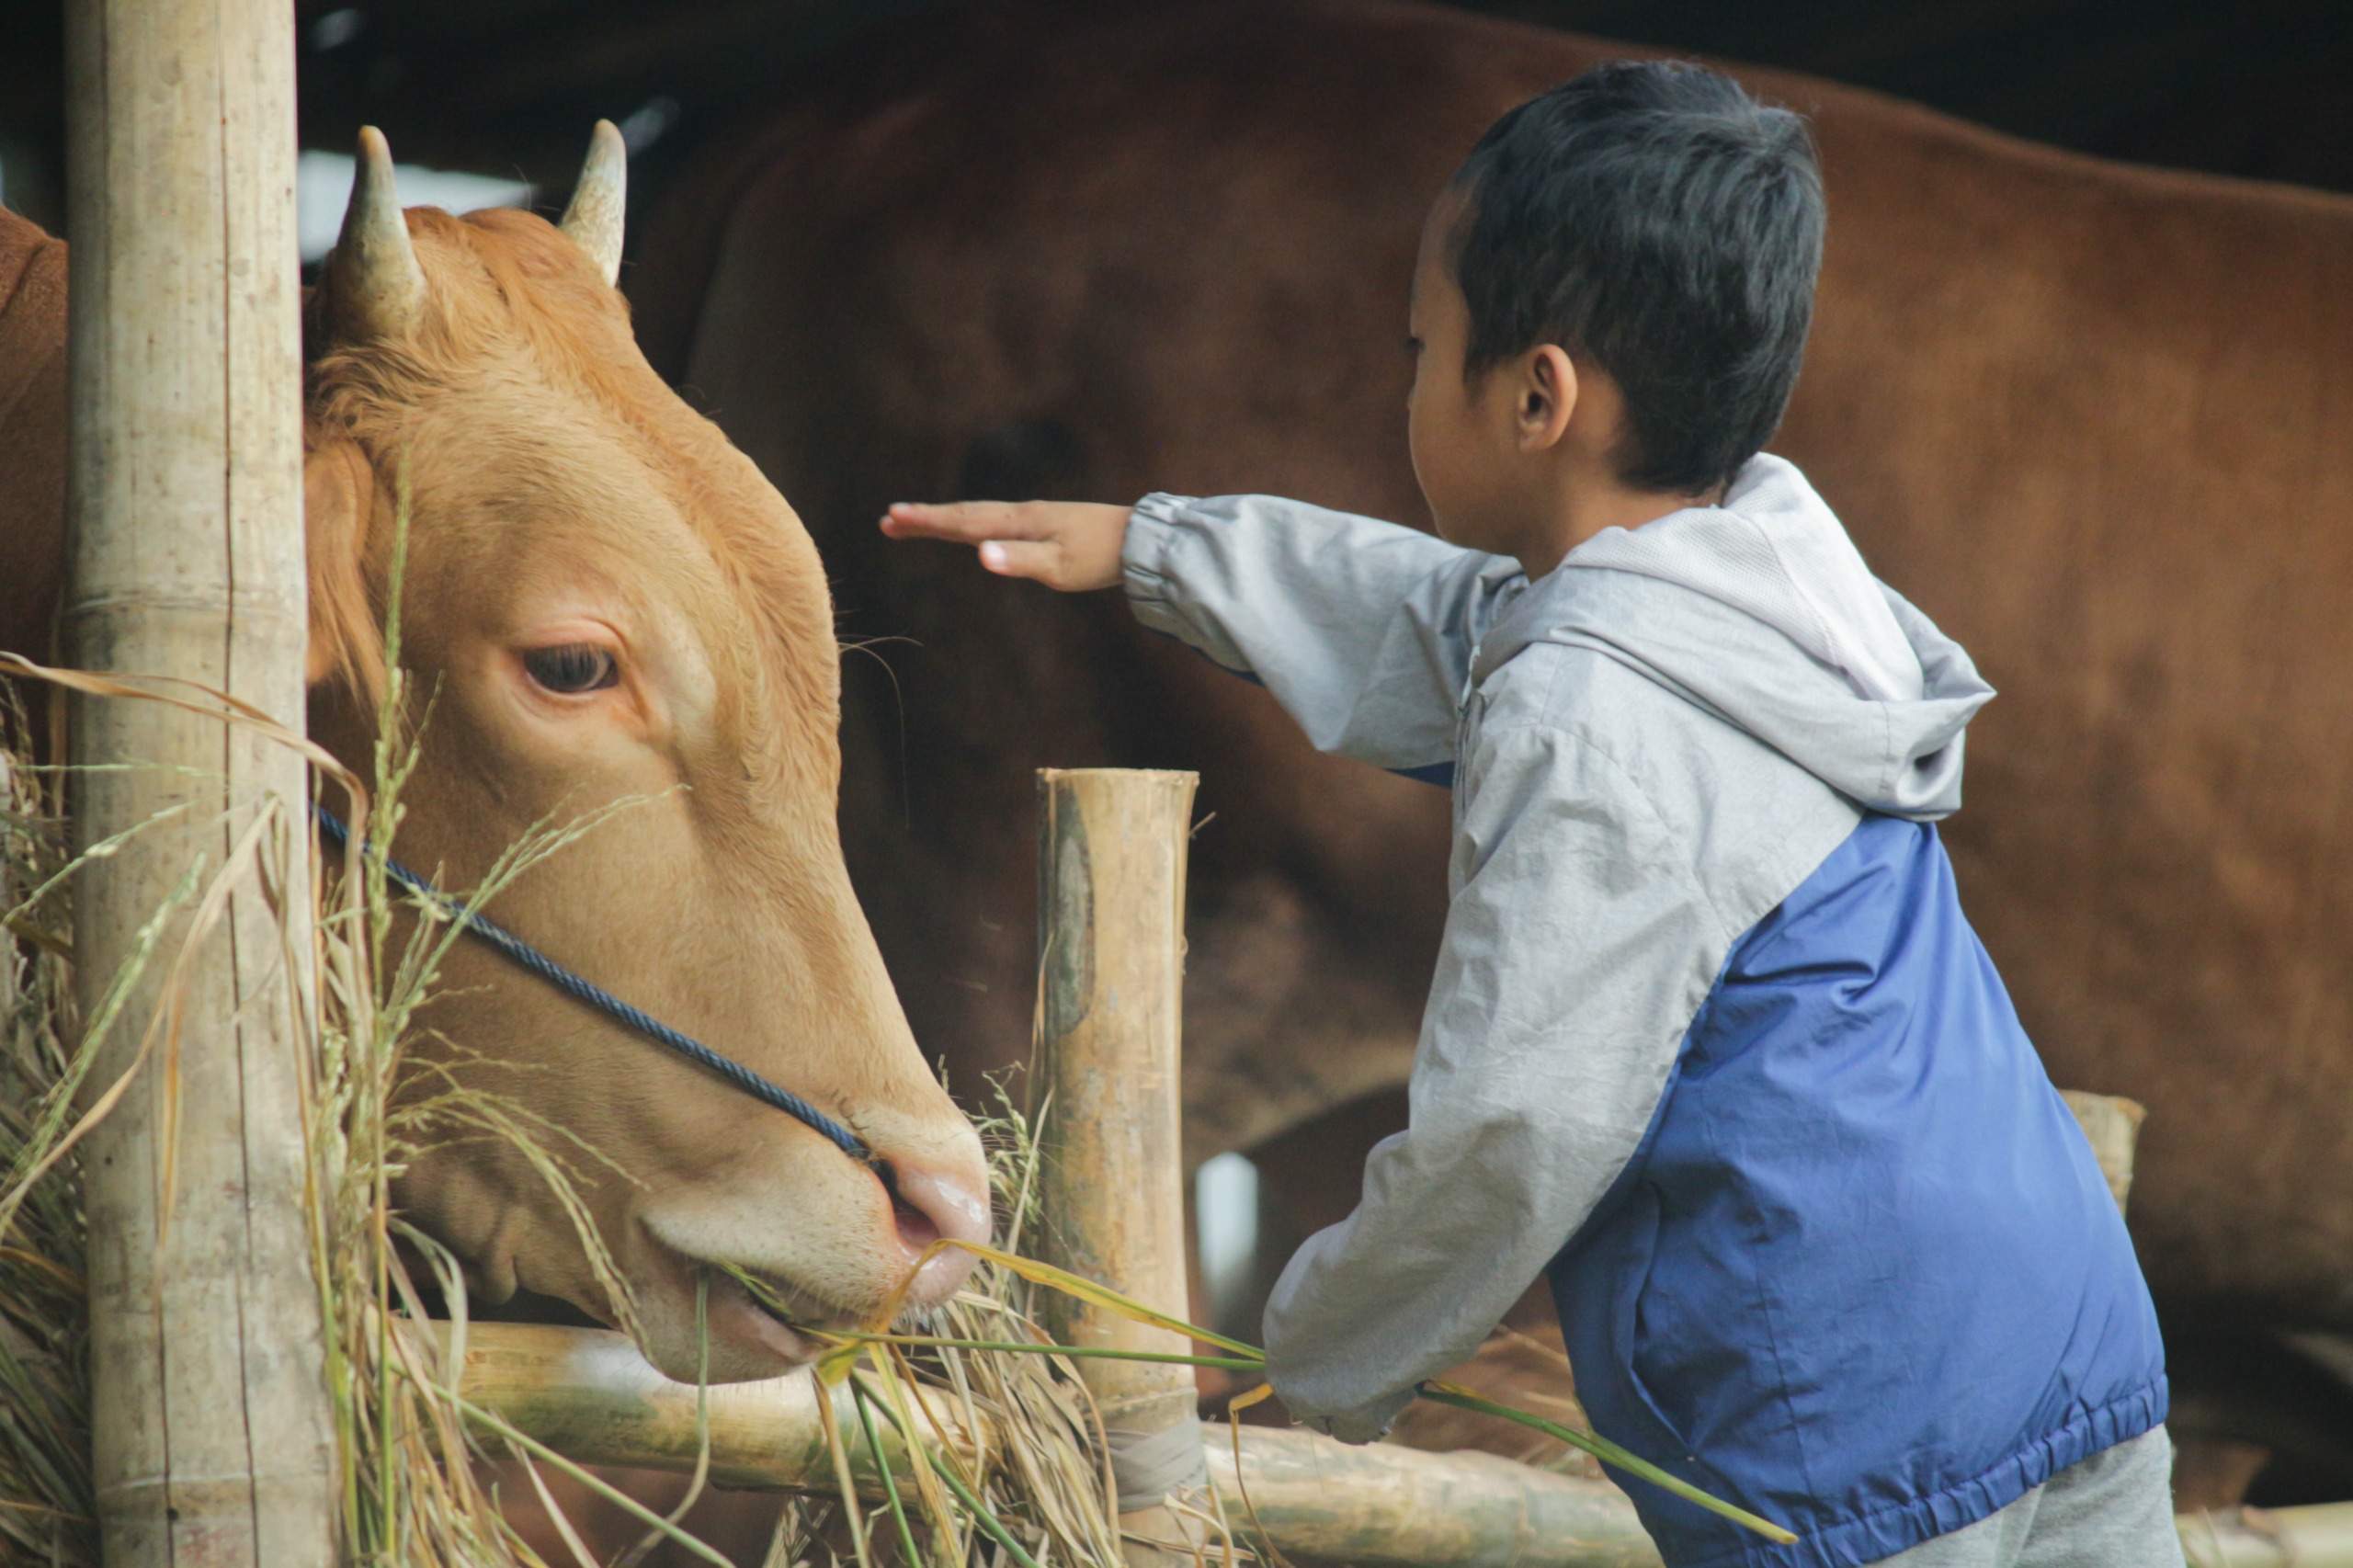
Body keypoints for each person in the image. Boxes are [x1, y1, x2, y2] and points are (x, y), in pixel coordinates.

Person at [881, 61, 2182, 1568]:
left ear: (1535, 394)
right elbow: (1470, 627)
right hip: (2068, 1341)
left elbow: (1519, 1129)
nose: (1409, 380)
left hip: (1855, 1425)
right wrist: (1161, 552)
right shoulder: (1775, 588)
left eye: (1422, 348)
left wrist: (1305, 1343)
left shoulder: (1591, 718)